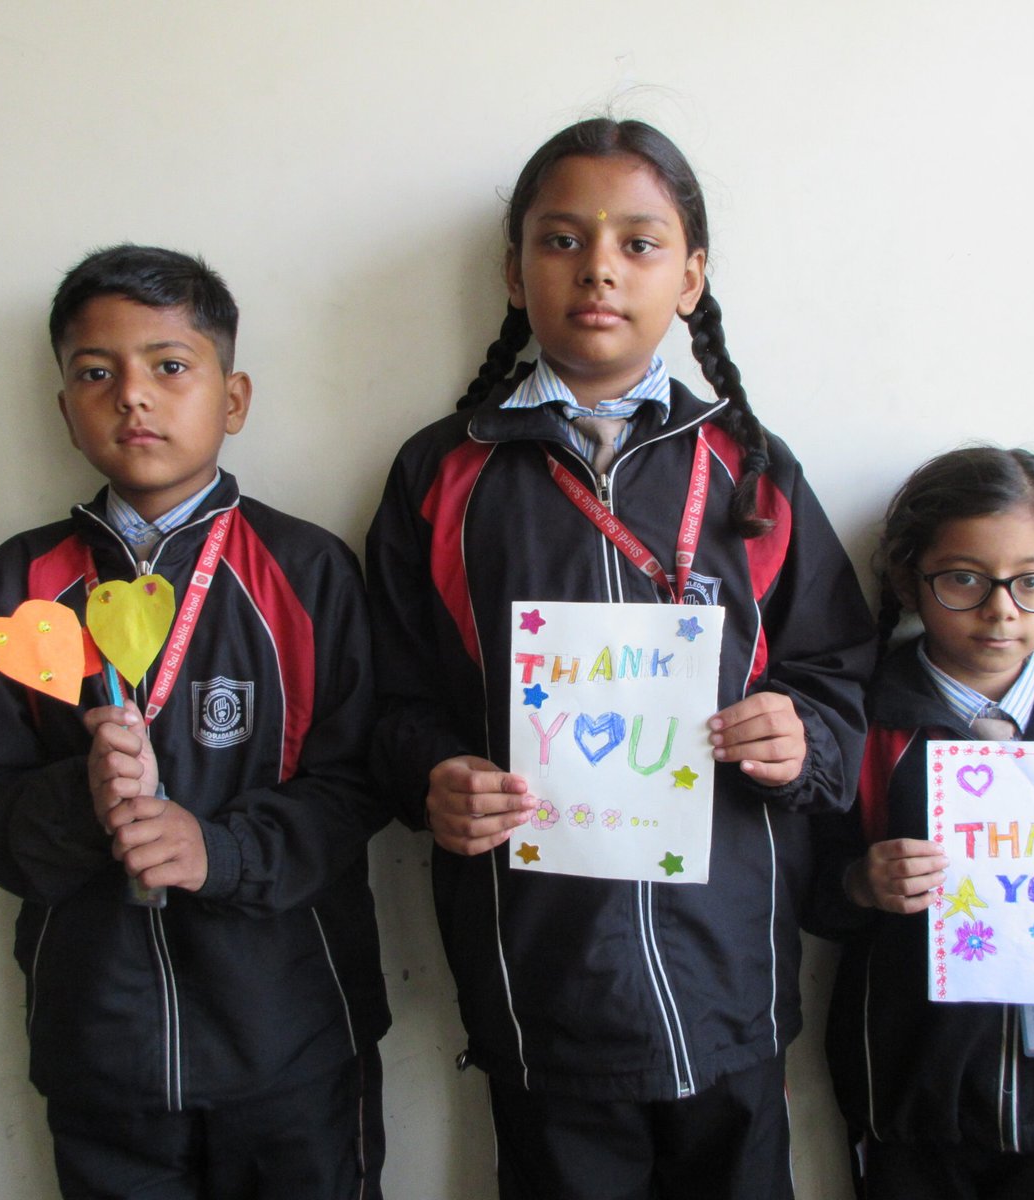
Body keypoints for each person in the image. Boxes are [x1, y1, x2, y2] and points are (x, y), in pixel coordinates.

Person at [364, 118, 875, 1199]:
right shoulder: (443, 474)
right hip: (541, 973)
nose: (598, 268)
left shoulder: (751, 468)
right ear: (514, 274)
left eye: (639, 243)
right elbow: (389, 697)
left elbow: (837, 669)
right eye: (561, 240)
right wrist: (431, 776)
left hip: (728, 970)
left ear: (690, 278)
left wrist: (803, 739)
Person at [0, 245, 389, 1199]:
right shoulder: (19, 584)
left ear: (234, 399)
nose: (132, 395)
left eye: (170, 366)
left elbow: (361, 782)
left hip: (293, 1037)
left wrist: (221, 851)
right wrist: (78, 802)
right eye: (96, 373)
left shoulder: (307, 571)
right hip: (101, 1047)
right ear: (64, 408)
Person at [808, 447, 1034, 1200]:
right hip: (915, 1092)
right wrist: (861, 883)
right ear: (910, 578)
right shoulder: (865, 728)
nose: (1001, 608)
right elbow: (806, 889)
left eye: (1032, 581)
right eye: (964, 579)